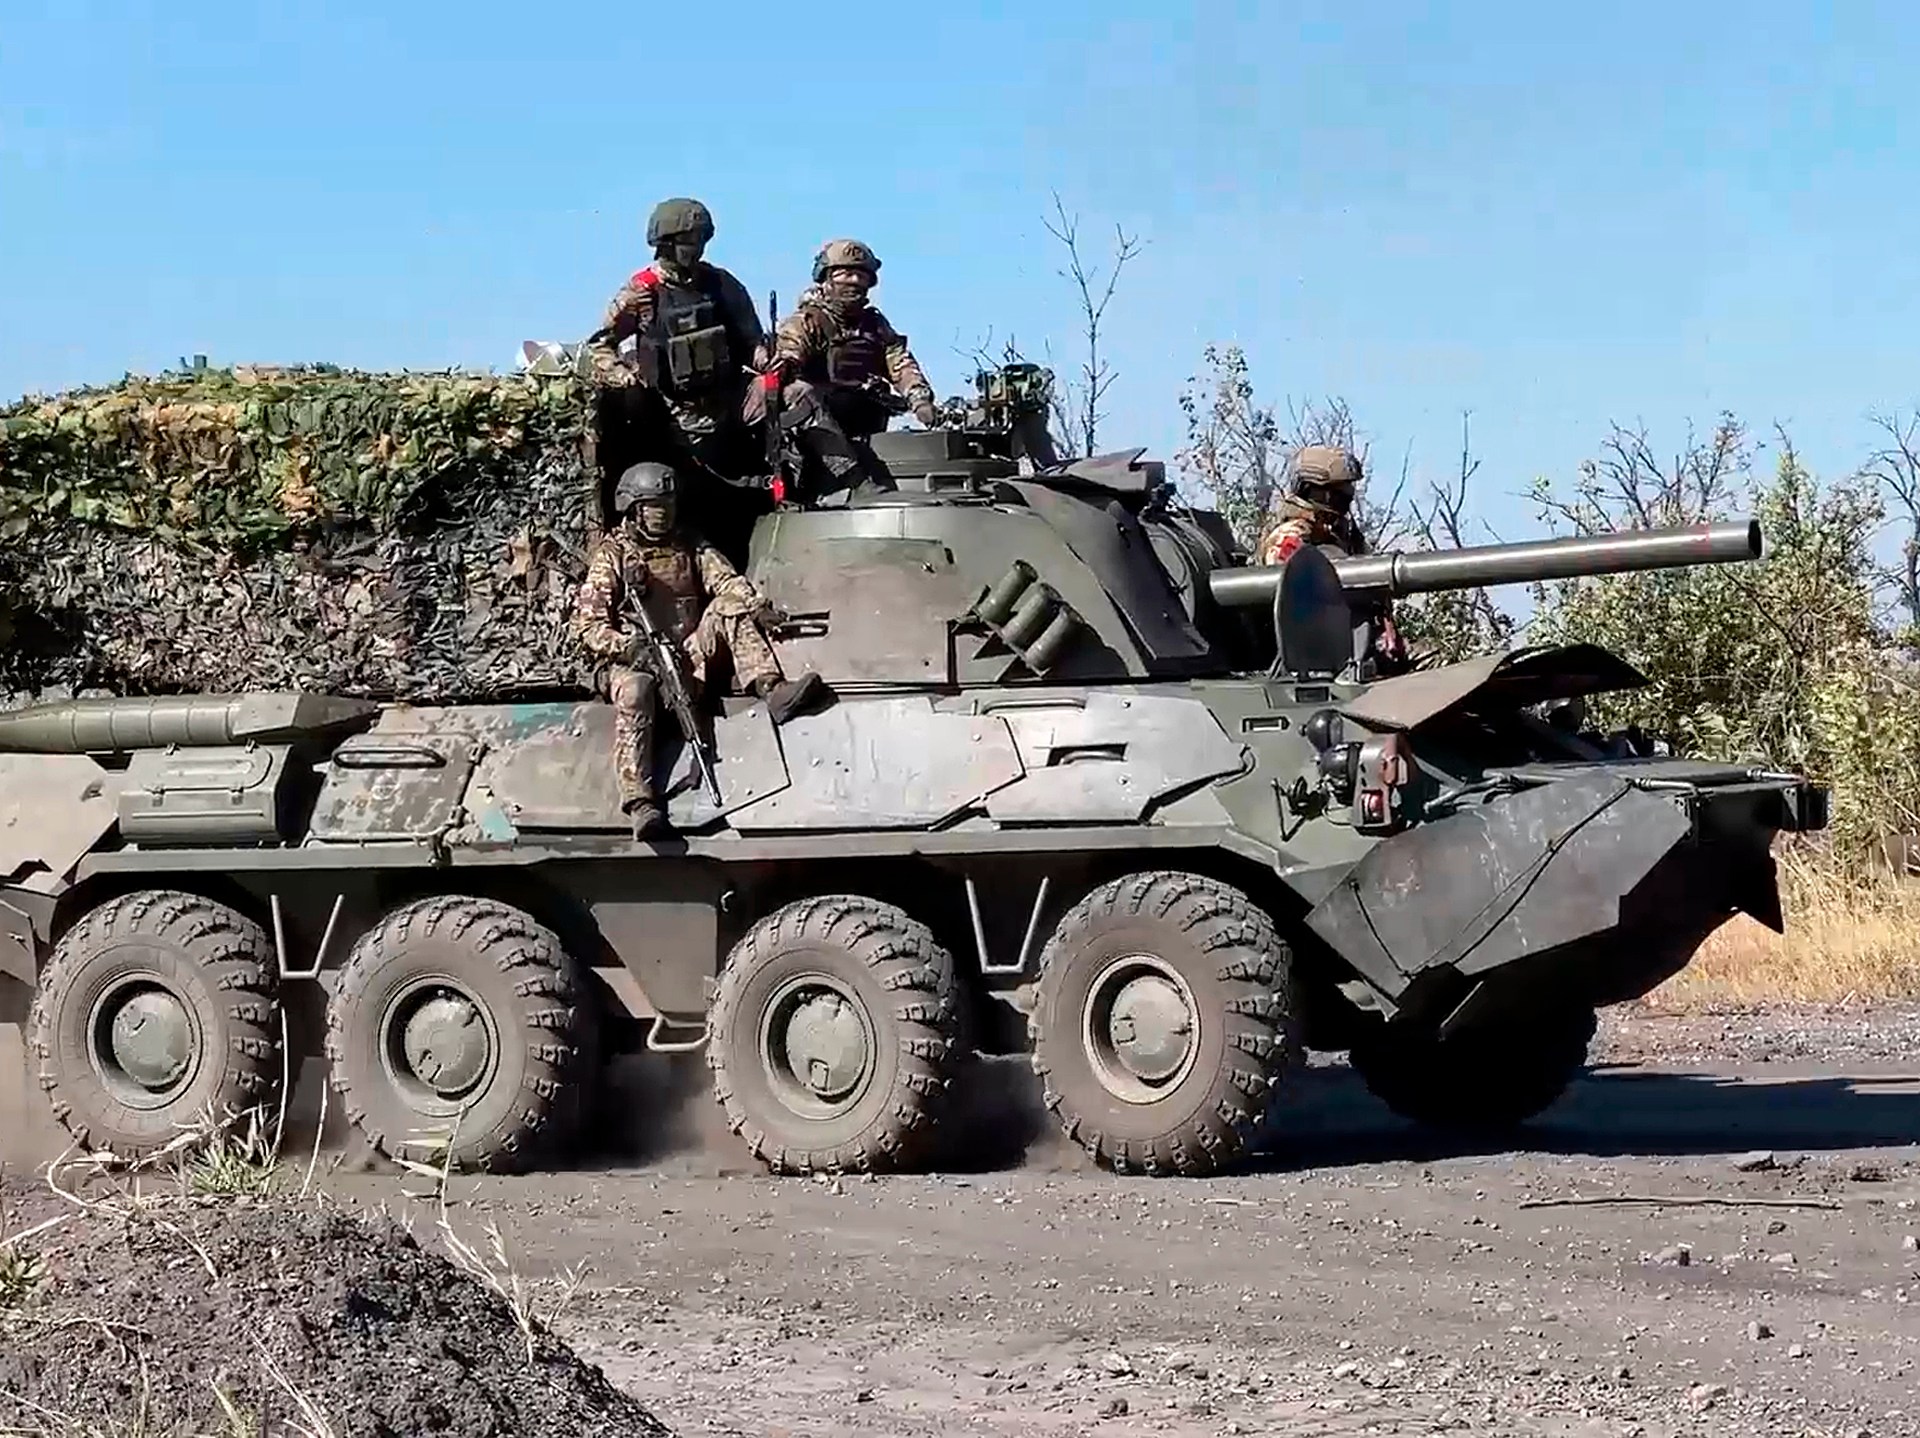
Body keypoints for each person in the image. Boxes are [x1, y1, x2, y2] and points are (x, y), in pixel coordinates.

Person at [571, 461, 826, 838]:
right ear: (633, 508)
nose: (663, 514)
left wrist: (757, 606)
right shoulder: (613, 556)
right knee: (636, 692)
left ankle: (772, 689)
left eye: (668, 505)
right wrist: (629, 648)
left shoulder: (689, 543)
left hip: (687, 652)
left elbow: (725, 581)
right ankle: (640, 802)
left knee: (729, 607)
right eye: (654, 506)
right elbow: (588, 627)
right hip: (635, 660)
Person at [584, 198, 770, 498]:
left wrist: (764, 360)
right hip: (674, 416)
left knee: (785, 392)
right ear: (666, 243)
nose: (697, 248)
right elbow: (598, 347)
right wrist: (621, 375)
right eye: (689, 240)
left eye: (701, 239)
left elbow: (752, 343)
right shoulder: (641, 293)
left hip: (730, 402)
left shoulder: (721, 284)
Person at [755, 238, 939, 501]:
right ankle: (854, 479)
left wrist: (920, 400)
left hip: (863, 417)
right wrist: (786, 363)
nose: (854, 281)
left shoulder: (874, 325)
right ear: (827, 278)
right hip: (817, 426)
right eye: (845, 273)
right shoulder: (808, 321)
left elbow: (900, 363)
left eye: (861, 275)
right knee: (798, 391)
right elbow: (791, 351)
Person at [1255, 445, 1368, 563]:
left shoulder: (1340, 531)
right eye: (1337, 493)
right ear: (1309, 490)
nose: (1346, 496)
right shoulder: (1289, 538)